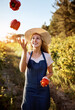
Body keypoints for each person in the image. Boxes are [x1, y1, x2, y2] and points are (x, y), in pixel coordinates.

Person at [18, 28, 54, 110]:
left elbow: (51, 72)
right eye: (33, 38)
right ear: (31, 42)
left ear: (41, 41)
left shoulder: (47, 56)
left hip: (43, 91)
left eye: (38, 38)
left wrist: (46, 77)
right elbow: (22, 69)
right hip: (29, 90)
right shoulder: (27, 55)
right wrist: (24, 51)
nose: (35, 40)